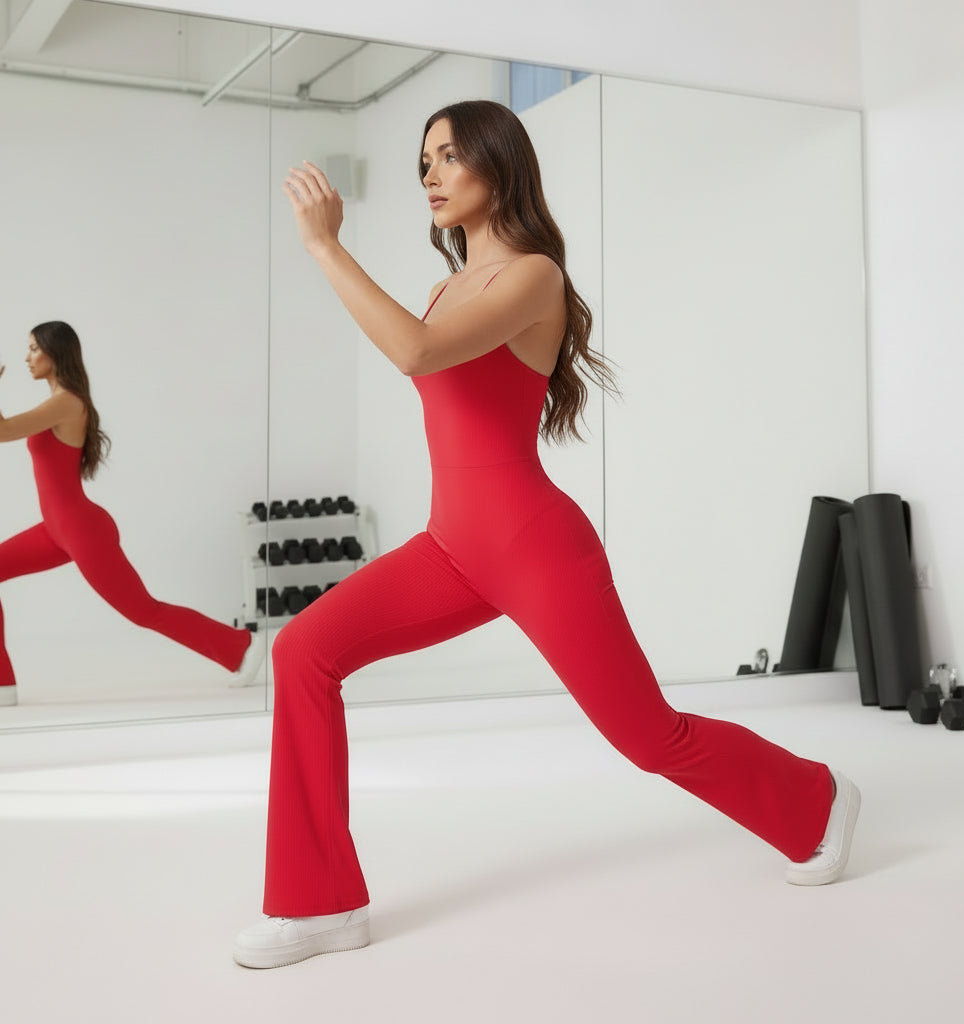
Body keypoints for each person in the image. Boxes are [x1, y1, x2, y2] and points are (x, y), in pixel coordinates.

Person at [232, 100, 861, 970]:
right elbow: (421, 345)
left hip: (532, 546)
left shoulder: (533, 279)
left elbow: (414, 354)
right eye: (424, 159)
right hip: (450, 549)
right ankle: (318, 904)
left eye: (450, 156)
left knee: (650, 738)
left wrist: (324, 245)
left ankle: (817, 803)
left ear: (499, 165)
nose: (431, 173)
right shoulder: (445, 286)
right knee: (304, 650)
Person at [0, 321, 265, 706]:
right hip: (57, 529)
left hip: (80, 529)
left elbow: (3, 431)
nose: (27, 358)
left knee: (143, 611)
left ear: (56, 353)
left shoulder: (66, 402)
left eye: (33, 349)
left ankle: (243, 646)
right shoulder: (58, 400)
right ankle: (3, 684)